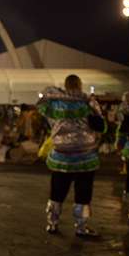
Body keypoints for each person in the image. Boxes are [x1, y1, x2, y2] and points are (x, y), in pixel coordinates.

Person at [37, 75, 105, 236]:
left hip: (61, 154)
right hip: (85, 155)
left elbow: (42, 110)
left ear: (65, 86)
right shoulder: (88, 102)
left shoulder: (53, 103)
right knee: (83, 191)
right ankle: (81, 227)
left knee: (57, 190)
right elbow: (100, 126)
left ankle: (52, 223)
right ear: (80, 86)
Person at [117, 91, 129, 220]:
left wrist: (120, 146)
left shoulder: (128, 115)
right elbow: (122, 133)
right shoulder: (128, 116)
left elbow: (122, 133)